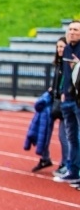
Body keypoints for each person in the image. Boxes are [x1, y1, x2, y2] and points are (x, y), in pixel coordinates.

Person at [31, 37, 67, 173]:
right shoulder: (58, 64)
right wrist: (52, 89)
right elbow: (56, 83)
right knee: (43, 131)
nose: (60, 49)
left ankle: (65, 163)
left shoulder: (69, 64)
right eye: (58, 47)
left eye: (62, 47)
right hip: (54, 102)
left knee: (64, 136)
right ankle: (45, 158)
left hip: (64, 103)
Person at [54, 20, 80, 186]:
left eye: (76, 29)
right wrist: (63, 92)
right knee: (71, 137)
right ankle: (72, 170)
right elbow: (64, 73)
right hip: (67, 99)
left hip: (78, 99)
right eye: (70, 29)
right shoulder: (67, 48)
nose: (72, 32)